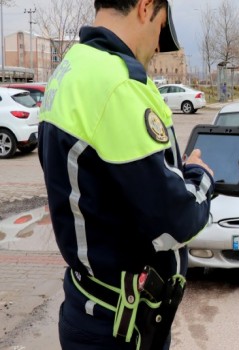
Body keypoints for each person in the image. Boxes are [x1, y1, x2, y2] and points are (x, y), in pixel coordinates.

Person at [37, 0, 215, 348]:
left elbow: (107, 186)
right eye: (161, 29)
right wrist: (199, 176)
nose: (155, 47)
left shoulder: (71, 67)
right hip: (119, 327)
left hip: (90, 306)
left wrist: (171, 174)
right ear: (146, 8)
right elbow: (174, 222)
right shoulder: (116, 83)